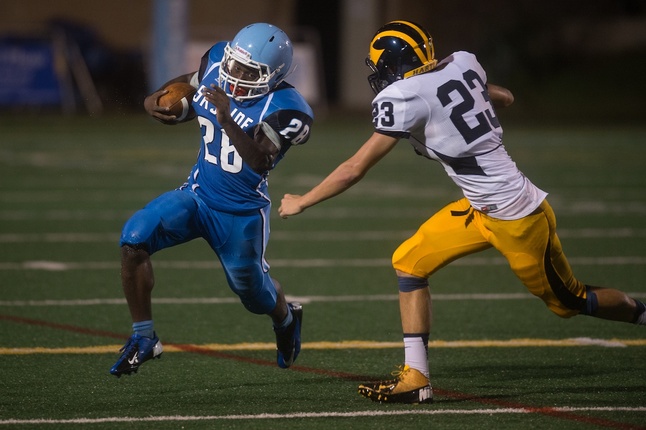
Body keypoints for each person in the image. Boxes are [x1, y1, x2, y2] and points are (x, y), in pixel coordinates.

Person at [278, 20, 646, 404]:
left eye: (381, 67)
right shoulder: (462, 63)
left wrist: (303, 200)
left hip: (515, 216)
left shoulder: (404, 96)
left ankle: (642, 314)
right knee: (409, 261)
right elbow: (500, 94)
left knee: (569, 302)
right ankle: (417, 377)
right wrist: (491, 98)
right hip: (479, 207)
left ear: (393, 63)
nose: (379, 75)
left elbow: (355, 168)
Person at [110, 23, 313, 377]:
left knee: (253, 296)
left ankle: (285, 318)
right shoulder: (219, 60)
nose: (234, 76)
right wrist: (155, 99)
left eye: (248, 72)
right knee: (134, 239)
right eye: (234, 66)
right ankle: (144, 337)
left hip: (241, 214)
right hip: (197, 196)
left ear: (273, 76)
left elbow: (261, 159)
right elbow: (189, 82)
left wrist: (225, 117)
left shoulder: (288, 108)